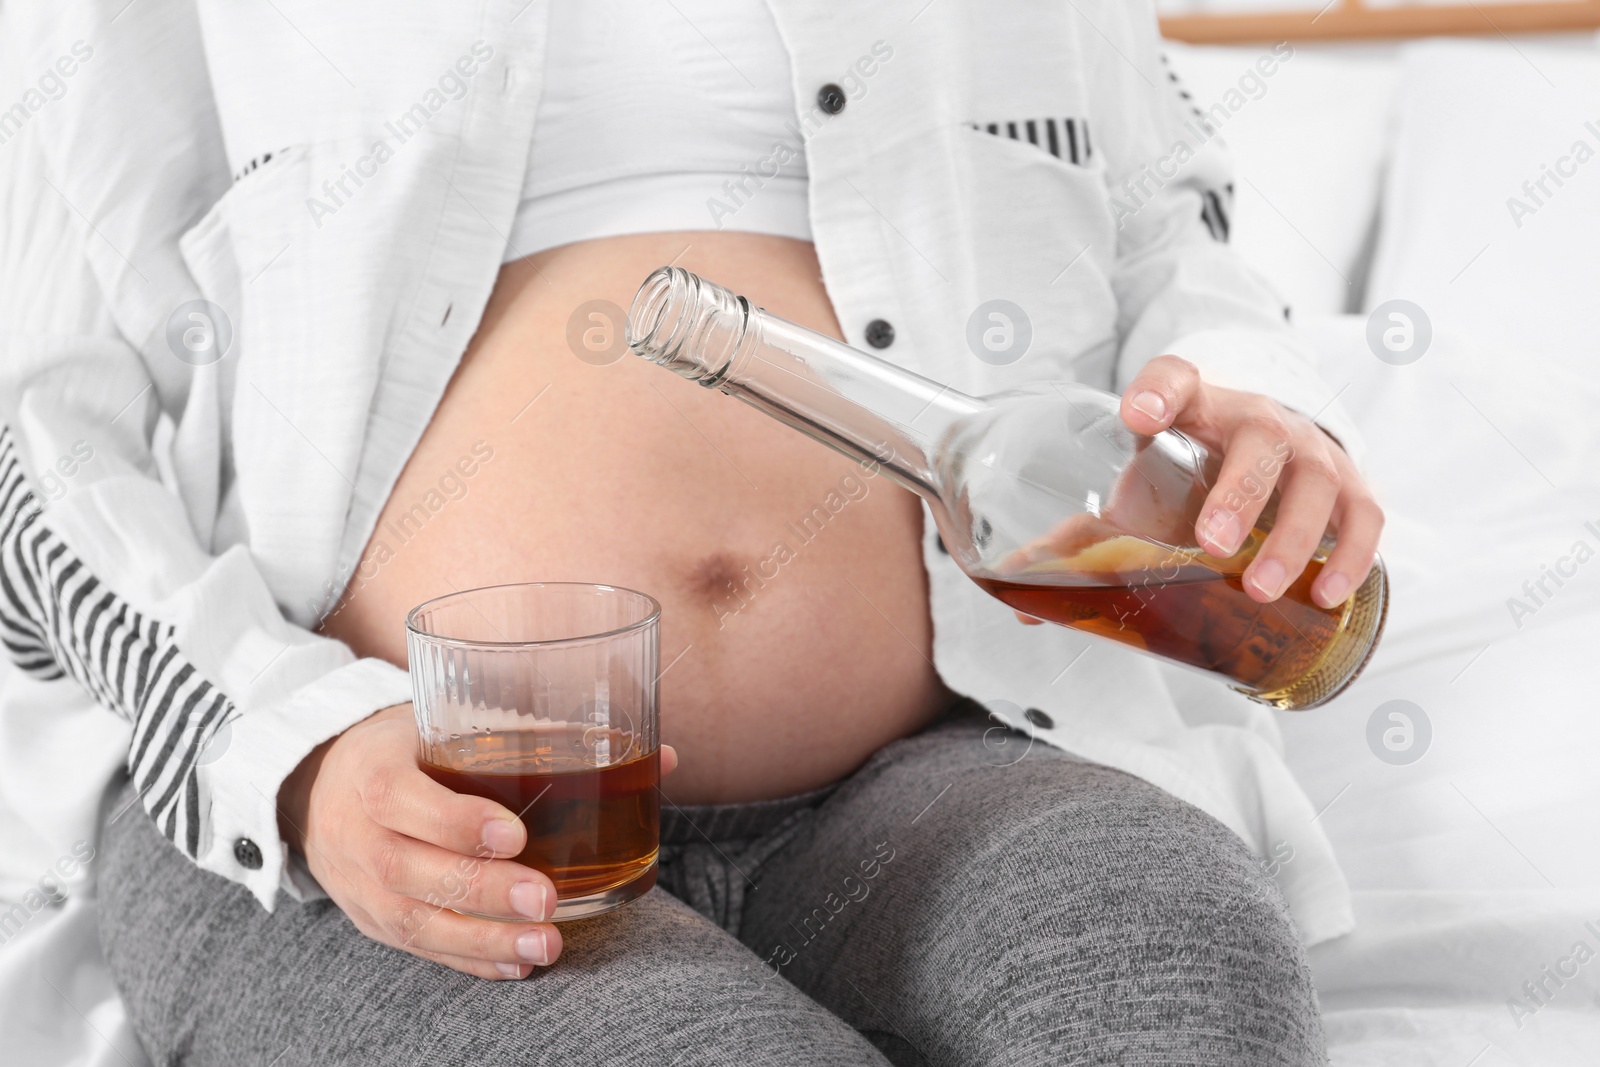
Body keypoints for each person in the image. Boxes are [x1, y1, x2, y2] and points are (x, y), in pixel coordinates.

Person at [1, 0, 1380, 1063]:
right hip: (412, 814)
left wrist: (1257, 412)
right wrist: (296, 761)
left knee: (1173, 978)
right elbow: (39, 453)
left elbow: (1165, 226)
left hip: (946, 759)